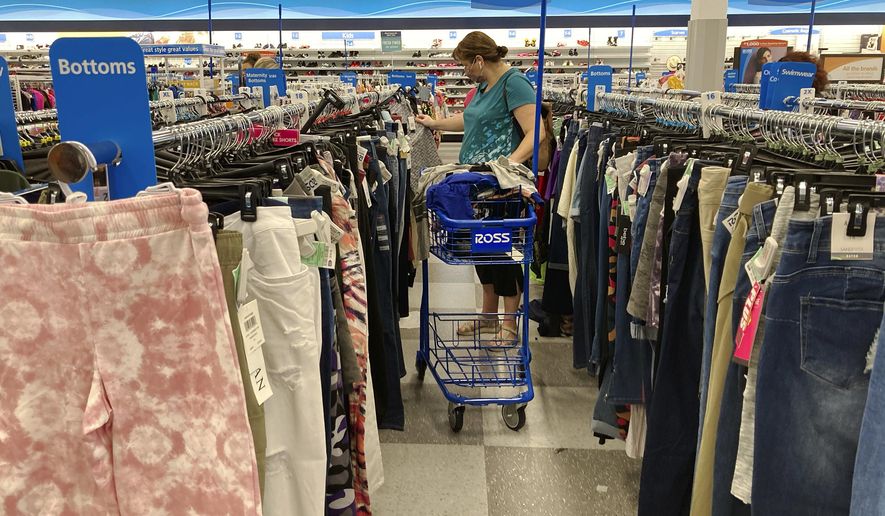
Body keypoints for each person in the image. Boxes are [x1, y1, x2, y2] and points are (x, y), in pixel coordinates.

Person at [416, 31, 543, 344]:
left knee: (501, 254)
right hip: (477, 185)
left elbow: (535, 132)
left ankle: (509, 325)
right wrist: (435, 124)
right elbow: (469, 119)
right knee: (482, 253)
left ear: (478, 60)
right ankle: (488, 318)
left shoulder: (513, 83)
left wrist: (508, 166)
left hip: (501, 188)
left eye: (464, 65)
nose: (463, 71)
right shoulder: (483, 87)